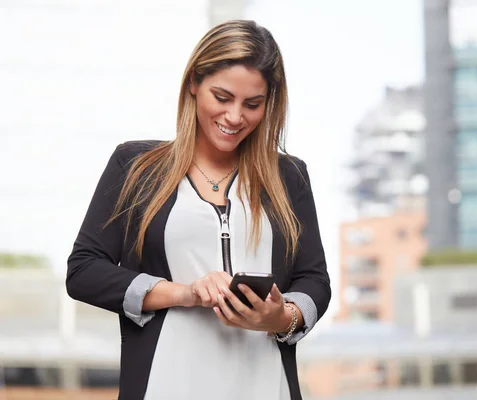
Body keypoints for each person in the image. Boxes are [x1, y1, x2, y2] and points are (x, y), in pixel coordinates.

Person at [66, 19, 330, 400]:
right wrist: (185, 293)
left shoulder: (289, 177)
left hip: (266, 386)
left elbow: (314, 279)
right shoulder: (135, 166)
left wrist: (282, 316)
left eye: (252, 104)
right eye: (222, 97)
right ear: (193, 83)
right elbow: (84, 270)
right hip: (165, 385)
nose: (235, 117)